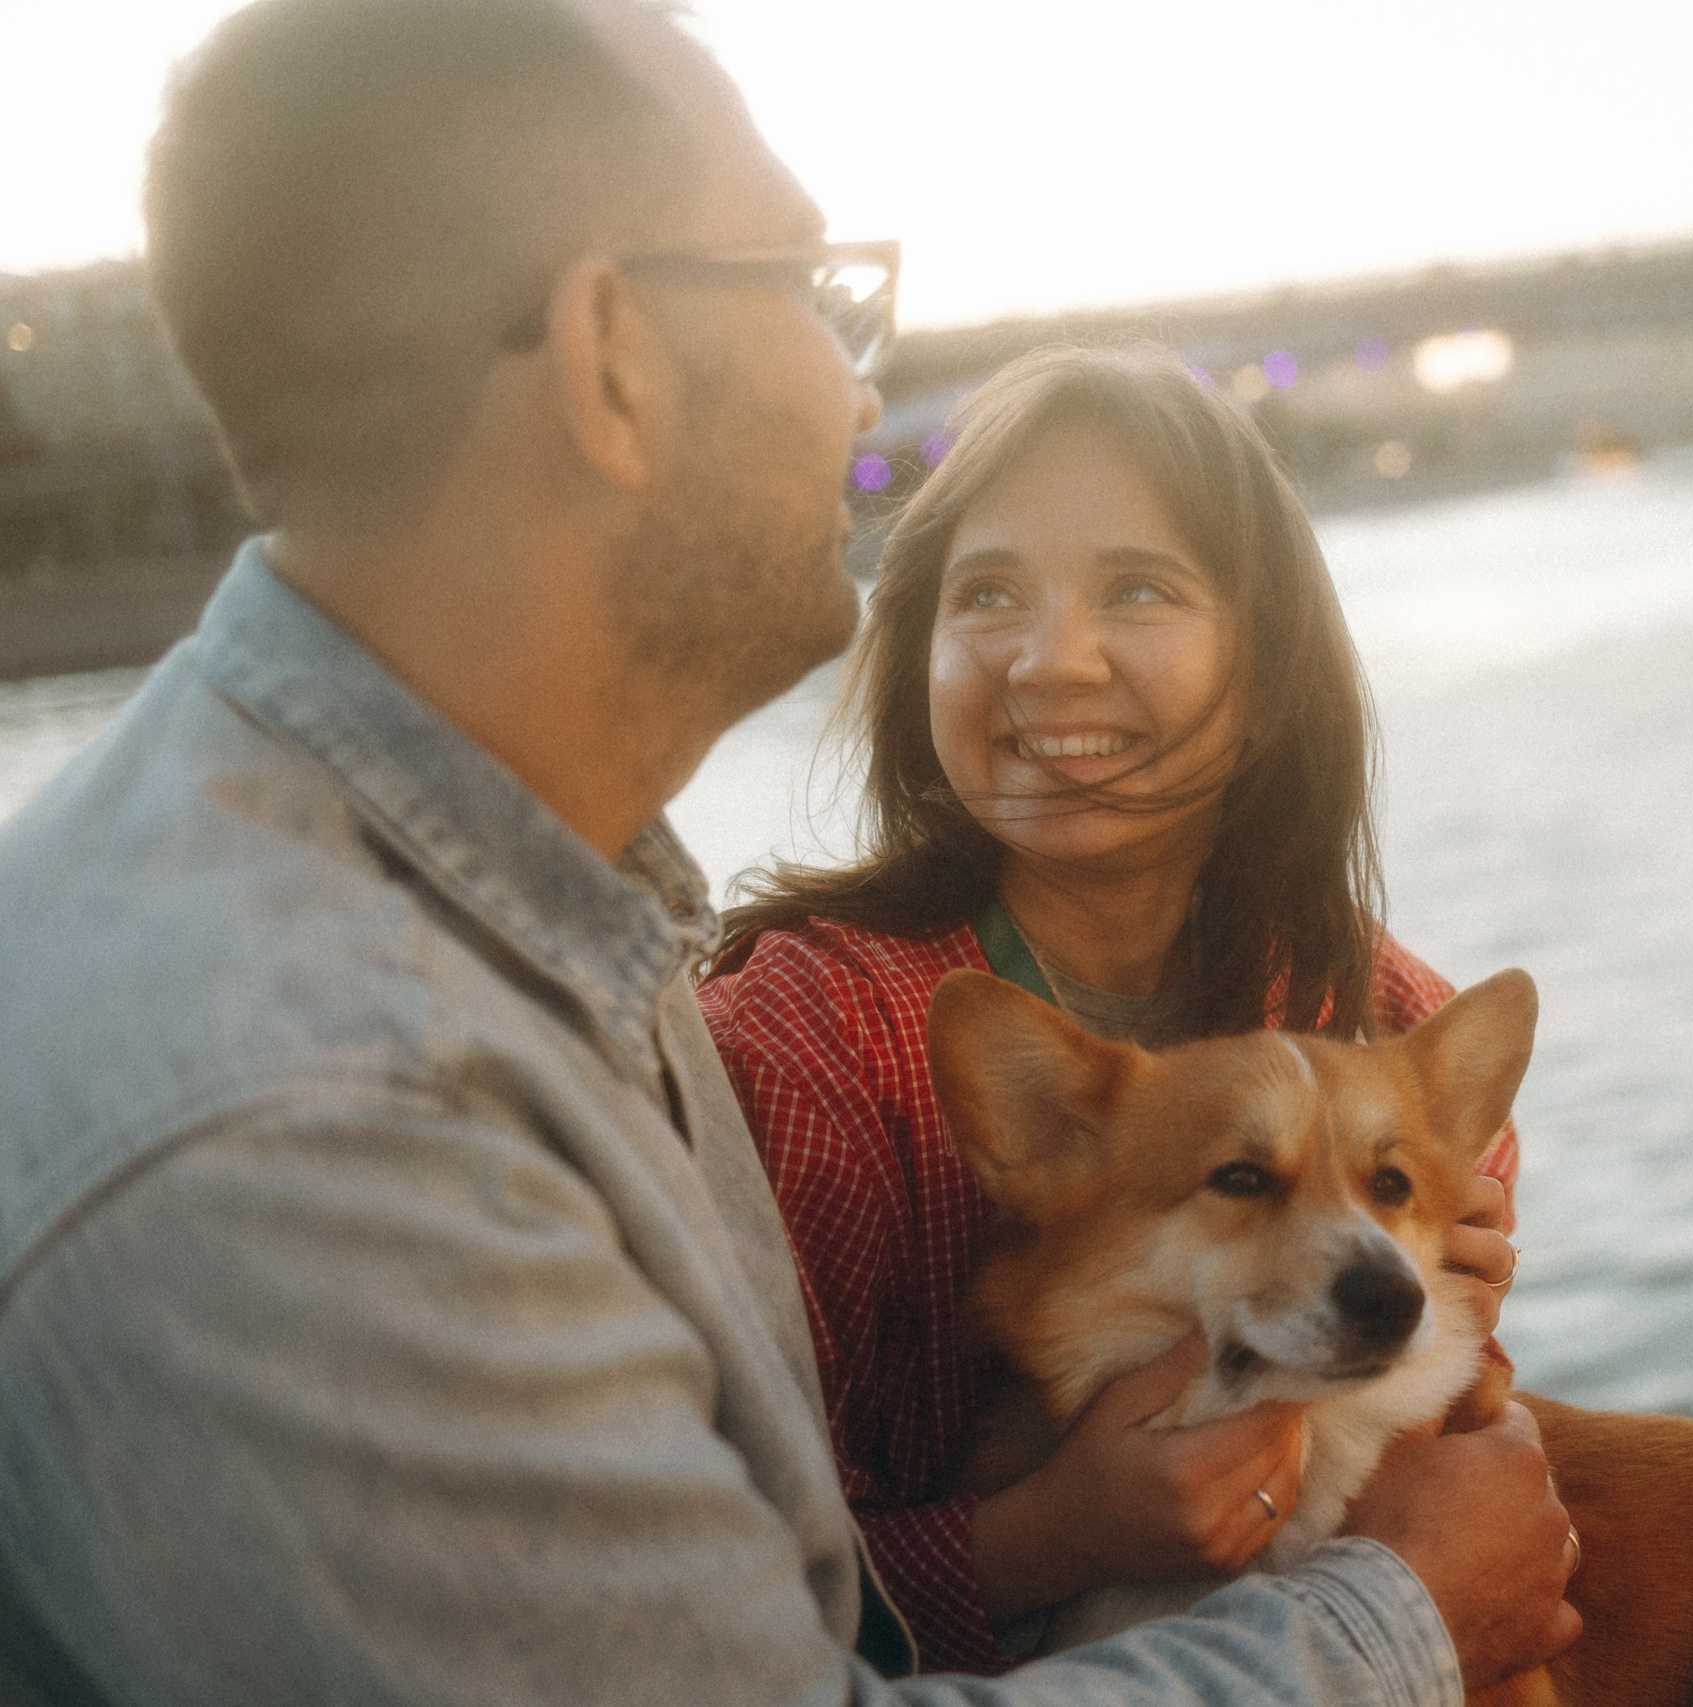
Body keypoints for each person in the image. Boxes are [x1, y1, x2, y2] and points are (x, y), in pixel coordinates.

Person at [0, 1, 1580, 1702]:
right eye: (816, 293)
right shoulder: (327, 1110)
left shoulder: (485, 924)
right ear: (613, 357)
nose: (862, 379)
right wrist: (1399, 1622)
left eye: (1142, 591)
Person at [699, 345, 1528, 1674]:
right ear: (919, 656)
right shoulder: (800, 1052)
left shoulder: (1392, 1019)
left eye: (1138, 589)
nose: (1051, 661)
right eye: (986, 597)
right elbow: (678, 1603)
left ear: (1264, 679)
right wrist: (1049, 1536)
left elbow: (1443, 1496)